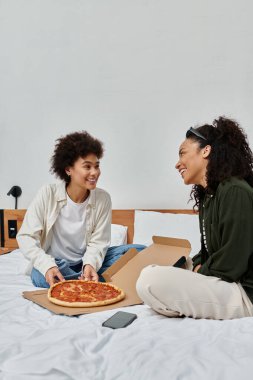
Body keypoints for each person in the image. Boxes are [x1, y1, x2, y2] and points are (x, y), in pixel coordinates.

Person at [136, 116, 253, 319]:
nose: (177, 164)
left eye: (182, 153)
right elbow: (209, 253)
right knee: (168, 266)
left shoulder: (234, 190)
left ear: (206, 150)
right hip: (224, 281)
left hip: (243, 292)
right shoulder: (209, 196)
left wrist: (198, 272)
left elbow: (232, 263)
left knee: (150, 279)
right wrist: (191, 266)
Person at [17, 131, 145, 288]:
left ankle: (82, 278)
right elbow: (25, 237)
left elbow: (99, 243)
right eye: (87, 167)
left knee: (138, 251)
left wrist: (90, 265)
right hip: (56, 263)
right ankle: (90, 280)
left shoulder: (103, 199)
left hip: (86, 262)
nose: (95, 172)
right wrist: (47, 266)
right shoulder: (47, 193)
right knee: (39, 275)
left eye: (97, 166)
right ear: (68, 169)